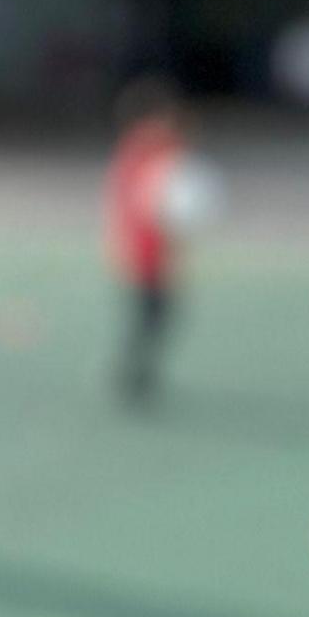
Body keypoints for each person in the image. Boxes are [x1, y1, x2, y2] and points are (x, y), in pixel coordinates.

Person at [103, 81, 214, 404]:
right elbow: (140, 205)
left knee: (158, 316)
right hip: (145, 252)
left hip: (158, 252)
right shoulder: (139, 156)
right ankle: (134, 374)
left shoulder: (164, 151)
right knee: (149, 315)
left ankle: (139, 372)